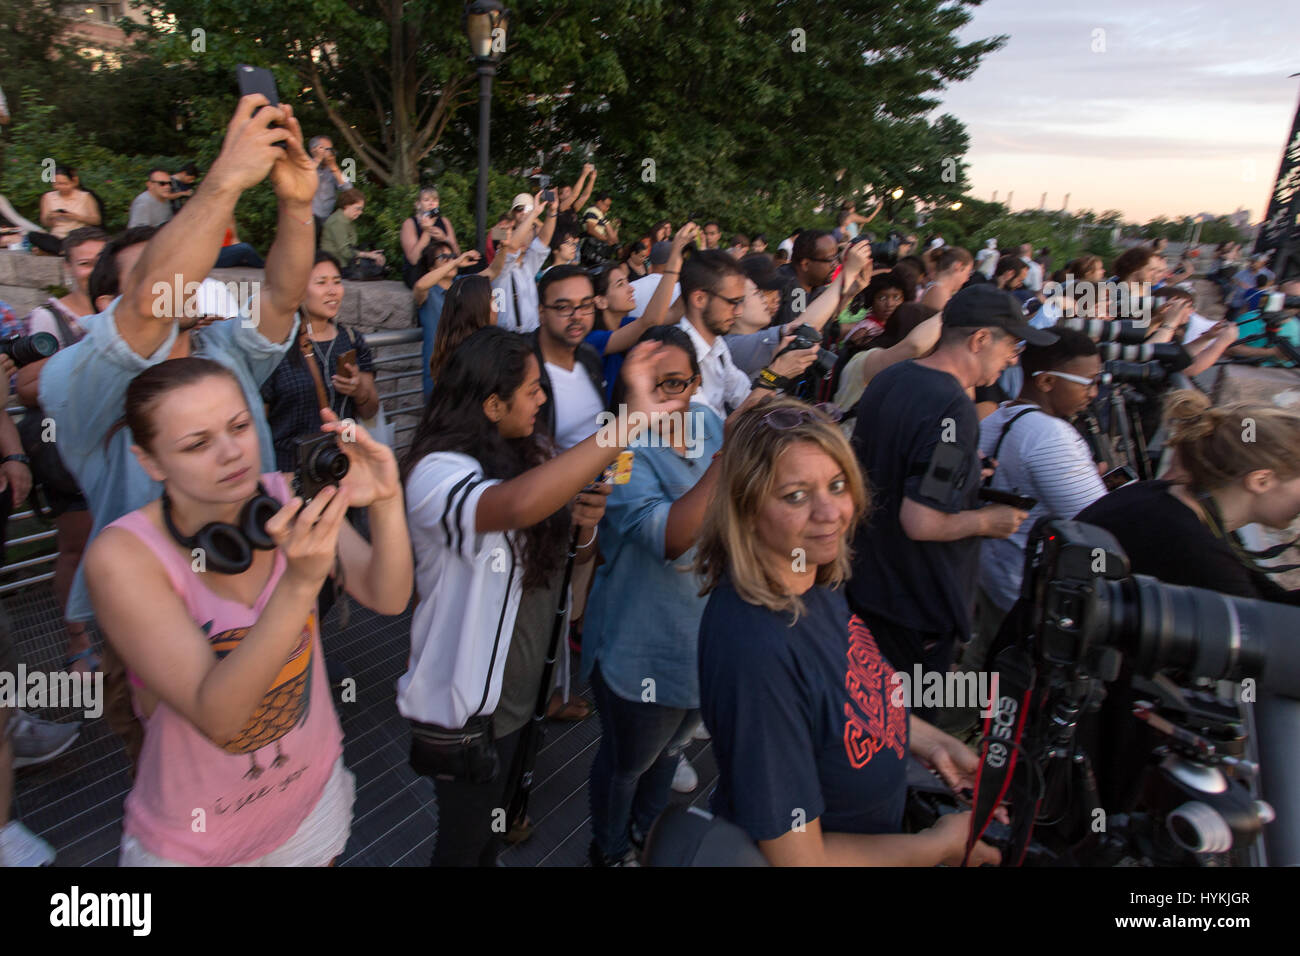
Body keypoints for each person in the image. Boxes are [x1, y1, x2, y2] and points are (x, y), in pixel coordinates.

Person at [36, 93, 321, 771]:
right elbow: (147, 303)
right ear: (108, 305)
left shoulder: (220, 351)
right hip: (158, 640)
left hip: (263, 596)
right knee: (192, 785)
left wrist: (298, 205)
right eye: (170, 264)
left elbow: (281, 297)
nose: (190, 279)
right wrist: (224, 179)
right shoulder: (76, 381)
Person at [83, 357, 412, 865]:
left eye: (239, 426)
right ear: (149, 462)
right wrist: (300, 585)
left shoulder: (287, 494)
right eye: (197, 443)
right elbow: (223, 719)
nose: (232, 452)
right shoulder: (123, 556)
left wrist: (387, 499)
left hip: (312, 802)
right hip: (197, 842)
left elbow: (387, 596)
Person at [396, 327, 685, 866]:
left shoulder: (530, 453)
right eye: (531, 389)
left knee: (488, 835)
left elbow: (570, 566)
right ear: (491, 403)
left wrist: (587, 527)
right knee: (460, 845)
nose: (543, 399)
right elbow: (513, 507)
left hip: (522, 694)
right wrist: (631, 421)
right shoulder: (436, 473)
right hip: (467, 710)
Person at [694, 398, 1000, 866]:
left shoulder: (810, 578)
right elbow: (800, 860)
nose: (829, 512)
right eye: (795, 495)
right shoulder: (756, 654)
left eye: (837, 485)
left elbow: (851, 697)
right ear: (746, 508)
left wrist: (927, 739)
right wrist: (937, 846)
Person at [1074, 391, 1300, 813]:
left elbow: (1267, 604)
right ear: (1261, 480)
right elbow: (1276, 644)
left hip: (1084, 704)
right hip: (1098, 736)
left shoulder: (1169, 499)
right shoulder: (1191, 547)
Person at [847, 285, 1056, 700]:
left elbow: (894, 464)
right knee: (902, 732)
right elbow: (920, 520)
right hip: (914, 606)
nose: (1013, 359)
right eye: (1011, 346)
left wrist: (965, 470)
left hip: (866, 587)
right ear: (980, 339)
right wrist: (988, 521)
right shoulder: (954, 408)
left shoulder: (893, 376)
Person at [582, 325, 731, 866]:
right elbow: (667, 535)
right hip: (639, 645)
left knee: (673, 750)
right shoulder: (619, 443)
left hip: (702, 641)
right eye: (654, 383)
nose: (671, 396)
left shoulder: (709, 422)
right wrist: (727, 462)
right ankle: (610, 848)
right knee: (626, 764)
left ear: (697, 380)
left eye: (680, 381)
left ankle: (646, 833)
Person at [971, 329, 1107, 663]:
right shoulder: (1051, 437)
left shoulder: (1000, 416)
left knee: (982, 662)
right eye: (1088, 382)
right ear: (1046, 381)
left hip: (993, 577)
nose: (1094, 393)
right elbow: (1100, 524)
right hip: (1025, 596)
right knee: (998, 677)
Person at [21, 227, 106, 673]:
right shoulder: (48, 319)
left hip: (118, 451)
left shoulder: (124, 310)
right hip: (70, 457)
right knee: (75, 548)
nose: (92, 270)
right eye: (84, 262)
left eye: (100, 259)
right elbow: (30, 390)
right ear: (68, 268)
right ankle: (78, 643)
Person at [261, 252, 378, 471]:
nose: (332, 290)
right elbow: (259, 423)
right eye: (321, 283)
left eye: (337, 282)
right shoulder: (278, 347)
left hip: (343, 465)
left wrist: (359, 392)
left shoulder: (352, 340)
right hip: (289, 471)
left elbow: (370, 411)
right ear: (297, 289)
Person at [676, 250, 818, 419]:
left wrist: (775, 373)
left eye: (741, 301)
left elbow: (744, 397)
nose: (739, 311)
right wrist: (775, 375)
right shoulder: (677, 358)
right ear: (699, 299)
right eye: (733, 302)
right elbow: (713, 439)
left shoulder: (717, 346)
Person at [587, 224, 696, 398]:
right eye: (620, 284)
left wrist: (693, 268)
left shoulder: (626, 324)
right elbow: (651, 320)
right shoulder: (592, 339)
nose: (630, 288)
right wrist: (674, 257)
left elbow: (674, 313)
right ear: (600, 301)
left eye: (626, 282)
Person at [413, 245, 493, 399]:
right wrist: (456, 262)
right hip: (438, 375)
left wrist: (504, 248)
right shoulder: (427, 291)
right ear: (431, 267)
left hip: (465, 369)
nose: (450, 260)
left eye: (452, 255)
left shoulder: (461, 284)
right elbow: (420, 285)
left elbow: (492, 272)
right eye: (443, 257)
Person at [492, 191, 557, 331]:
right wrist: (533, 214)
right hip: (508, 337)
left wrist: (552, 211)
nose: (522, 212)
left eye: (525, 208)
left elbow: (544, 240)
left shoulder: (527, 263)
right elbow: (510, 246)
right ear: (513, 212)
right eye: (519, 209)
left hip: (532, 334)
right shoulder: (501, 229)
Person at [427, 274, 498, 386]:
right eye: (494, 302)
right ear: (479, 309)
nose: (497, 309)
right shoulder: (482, 357)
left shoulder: (447, 351)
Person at [27, 167, 102, 255]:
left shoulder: (86, 197)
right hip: (56, 237)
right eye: (57, 184)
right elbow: (45, 223)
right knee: (33, 235)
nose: (61, 187)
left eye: (64, 184)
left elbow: (96, 220)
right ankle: (62, 250)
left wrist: (76, 217)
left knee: (79, 240)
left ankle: (56, 251)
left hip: (78, 236)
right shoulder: (47, 197)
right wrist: (50, 216)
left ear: (72, 182)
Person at [399, 186, 460, 288]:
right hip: (419, 271)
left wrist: (444, 239)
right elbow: (414, 259)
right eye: (426, 200)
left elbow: (457, 254)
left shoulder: (444, 221)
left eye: (435, 200)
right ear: (418, 204)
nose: (431, 204)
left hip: (442, 267)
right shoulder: (409, 223)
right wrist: (427, 232)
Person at [319, 189, 385, 279]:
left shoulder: (347, 220)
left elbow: (350, 248)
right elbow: (345, 251)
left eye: (361, 209)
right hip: (337, 266)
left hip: (345, 263)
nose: (360, 212)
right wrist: (368, 255)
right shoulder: (338, 222)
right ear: (346, 205)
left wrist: (369, 254)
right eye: (357, 209)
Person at [309, 135, 350, 233]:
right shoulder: (305, 166)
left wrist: (334, 166)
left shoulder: (334, 169)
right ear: (313, 150)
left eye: (330, 149)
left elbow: (348, 189)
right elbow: (301, 180)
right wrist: (317, 160)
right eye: (324, 148)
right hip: (307, 220)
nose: (328, 152)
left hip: (328, 219)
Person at [920, 246, 974, 311]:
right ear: (958, 266)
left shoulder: (937, 288)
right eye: (968, 273)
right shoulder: (940, 292)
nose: (967, 279)